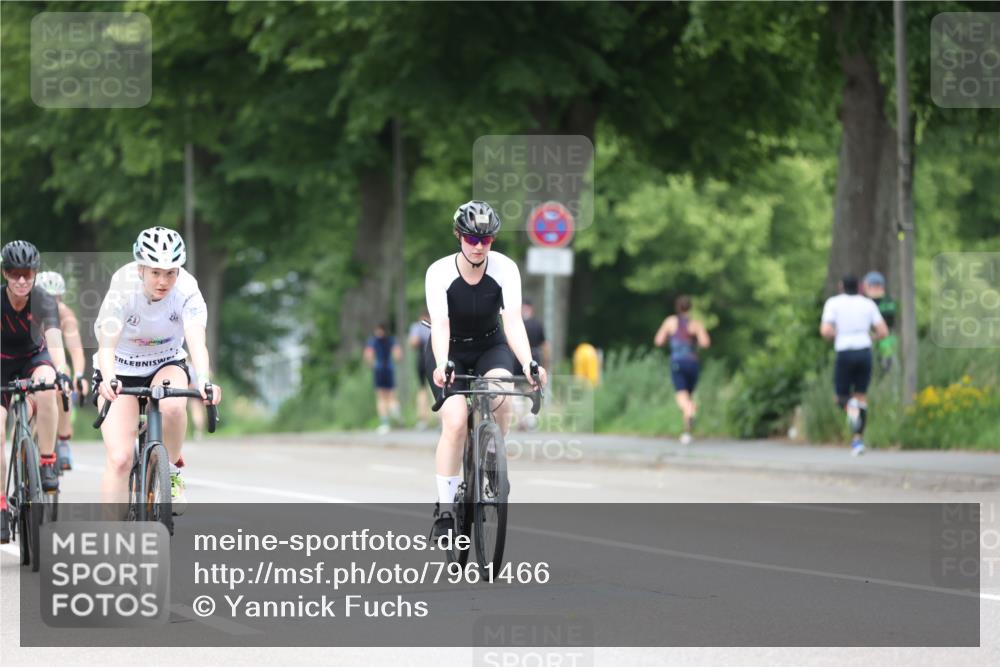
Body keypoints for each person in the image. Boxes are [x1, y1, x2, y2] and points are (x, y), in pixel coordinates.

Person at [424, 200, 547, 539]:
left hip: (490, 346)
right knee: (454, 422)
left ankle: (492, 458)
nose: (479, 246)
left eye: (486, 239)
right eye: (471, 238)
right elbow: (440, 325)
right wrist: (442, 364)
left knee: (501, 395)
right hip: (449, 349)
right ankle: (445, 508)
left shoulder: (505, 268)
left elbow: (513, 322)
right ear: (458, 236)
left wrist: (529, 363)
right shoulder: (439, 272)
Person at [92, 227, 222, 514]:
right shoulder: (123, 287)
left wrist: (204, 380)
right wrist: (109, 378)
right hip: (119, 368)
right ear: (140, 268)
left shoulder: (187, 290)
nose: (163, 281)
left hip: (165, 363)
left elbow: (196, 342)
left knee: (173, 407)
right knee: (120, 459)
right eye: (155, 273)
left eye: (170, 273)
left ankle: (171, 472)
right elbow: (106, 345)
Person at [1, 241, 71, 544]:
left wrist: (63, 371)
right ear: (5, 273)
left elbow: (54, 342)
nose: (21, 280)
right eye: (14, 273)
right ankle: (1, 505)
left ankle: (46, 460)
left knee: (48, 384)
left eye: (27, 273)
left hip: (33, 358)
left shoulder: (43, 300)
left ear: (35, 273)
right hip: (1, 364)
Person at [820, 274, 888, 456]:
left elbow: (825, 331)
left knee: (840, 398)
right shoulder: (868, 304)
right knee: (861, 397)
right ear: (859, 287)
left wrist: (837, 334)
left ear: (841, 286)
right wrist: (871, 337)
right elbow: (883, 331)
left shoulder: (833, 303)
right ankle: (858, 442)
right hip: (864, 351)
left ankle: (849, 405)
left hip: (844, 351)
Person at [35, 271, 90, 471]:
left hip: (54, 361)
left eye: (56, 298)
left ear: (61, 297)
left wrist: (79, 376)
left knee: (63, 386)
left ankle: (64, 440)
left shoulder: (65, 316)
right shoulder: (27, 311)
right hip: (29, 360)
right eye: (46, 297)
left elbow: (76, 350)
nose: (51, 302)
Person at [654, 295, 710, 445]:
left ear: (677, 307)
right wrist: (694, 342)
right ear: (690, 308)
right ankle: (687, 433)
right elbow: (705, 343)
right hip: (693, 363)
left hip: (677, 363)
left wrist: (670, 340)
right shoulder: (696, 324)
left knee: (682, 397)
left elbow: (658, 341)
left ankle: (689, 413)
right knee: (689, 397)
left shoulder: (670, 322)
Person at [364, 323, 402, 434]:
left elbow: (368, 355)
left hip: (379, 368)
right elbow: (398, 355)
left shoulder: (373, 341)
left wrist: (371, 364)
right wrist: (396, 360)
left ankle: (385, 423)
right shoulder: (391, 340)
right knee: (391, 395)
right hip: (389, 368)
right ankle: (395, 410)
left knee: (381, 397)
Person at [862, 271, 898, 375]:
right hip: (879, 339)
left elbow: (888, 320)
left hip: (885, 339)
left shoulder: (884, 302)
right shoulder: (887, 301)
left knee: (888, 369)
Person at [407, 310, 433, 429]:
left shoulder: (417, 326)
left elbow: (413, 342)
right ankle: (436, 419)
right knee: (435, 389)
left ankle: (423, 419)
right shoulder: (436, 323)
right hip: (432, 359)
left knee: (422, 390)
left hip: (423, 359)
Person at [521, 299, 550, 370]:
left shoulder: (519, 325)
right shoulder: (538, 324)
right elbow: (545, 345)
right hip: (534, 357)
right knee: (534, 376)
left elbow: (544, 345)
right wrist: (546, 362)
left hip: (520, 356)